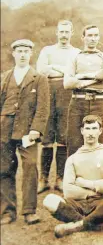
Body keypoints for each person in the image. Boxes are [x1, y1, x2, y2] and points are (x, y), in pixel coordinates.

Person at [42, 115, 103, 238]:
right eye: (87, 129)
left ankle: (77, 225)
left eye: (94, 129)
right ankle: (96, 224)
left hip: (101, 203)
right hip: (77, 205)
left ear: (100, 131)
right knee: (49, 200)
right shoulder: (72, 158)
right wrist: (94, 190)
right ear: (82, 131)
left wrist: (85, 183)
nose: (90, 133)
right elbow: (68, 192)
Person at [0, 39, 50, 225]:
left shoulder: (39, 78)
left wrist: (36, 129)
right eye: (19, 51)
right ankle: (7, 211)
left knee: (29, 167)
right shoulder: (4, 77)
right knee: (4, 169)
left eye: (25, 51)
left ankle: (29, 211)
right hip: (4, 129)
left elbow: (43, 108)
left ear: (30, 54)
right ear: (13, 54)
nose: (22, 54)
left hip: (28, 132)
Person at [36, 20, 81, 194]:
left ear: (72, 32)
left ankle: (61, 178)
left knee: (64, 136)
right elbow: (41, 71)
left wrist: (54, 68)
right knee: (47, 137)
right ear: (56, 33)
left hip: (67, 94)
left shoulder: (76, 52)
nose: (64, 35)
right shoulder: (47, 50)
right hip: (48, 93)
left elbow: (75, 74)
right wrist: (64, 71)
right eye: (61, 31)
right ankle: (44, 178)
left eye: (67, 31)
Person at [64, 24, 103, 156]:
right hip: (77, 103)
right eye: (89, 35)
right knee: (74, 142)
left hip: (99, 103)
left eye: (96, 35)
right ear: (83, 38)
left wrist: (82, 78)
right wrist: (97, 79)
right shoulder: (75, 57)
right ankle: (75, 175)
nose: (93, 38)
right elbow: (68, 83)